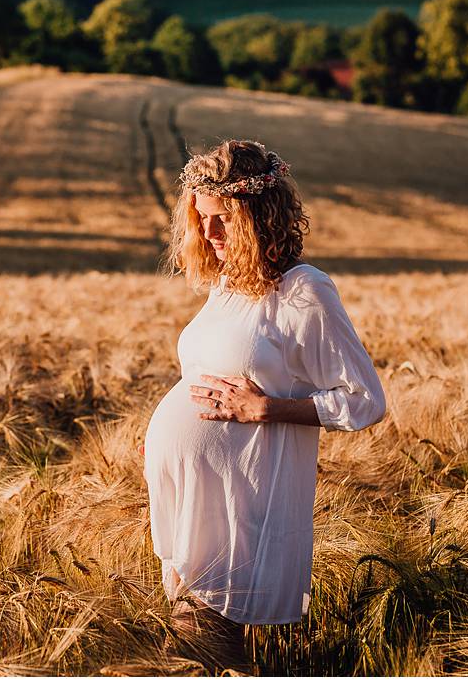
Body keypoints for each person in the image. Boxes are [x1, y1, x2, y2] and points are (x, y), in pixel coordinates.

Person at [142, 139, 387, 667]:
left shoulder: (305, 292)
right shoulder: (226, 288)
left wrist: (268, 409)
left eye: (222, 219)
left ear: (261, 216)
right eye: (201, 219)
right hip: (194, 508)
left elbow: (364, 399)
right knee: (198, 656)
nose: (208, 234)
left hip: (241, 511)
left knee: (198, 656)